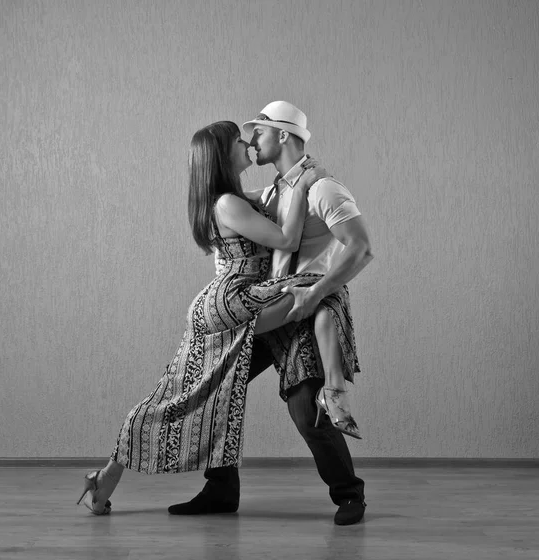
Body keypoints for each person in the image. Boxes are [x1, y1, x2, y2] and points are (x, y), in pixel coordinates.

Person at [76, 119, 360, 517]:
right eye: (238, 140)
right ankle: (331, 445)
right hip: (237, 306)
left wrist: (298, 181)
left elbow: (273, 201)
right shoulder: (228, 203)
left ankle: (114, 480)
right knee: (321, 287)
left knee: (201, 397)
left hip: (248, 308)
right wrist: (310, 178)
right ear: (221, 155)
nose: (247, 144)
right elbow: (287, 239)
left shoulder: (236, 198)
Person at [168, 101, 373, 526]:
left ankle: (350, 495)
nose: (250, 142)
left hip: (305, 308)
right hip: (271, 303)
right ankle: (221, 489)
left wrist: (317, 293)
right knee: (223, 383)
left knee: (304, 409)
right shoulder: (277, 189)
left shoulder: (322, 187)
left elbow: (361, 248)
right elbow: (230, 206)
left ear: (281, 135)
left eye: (256, 133)